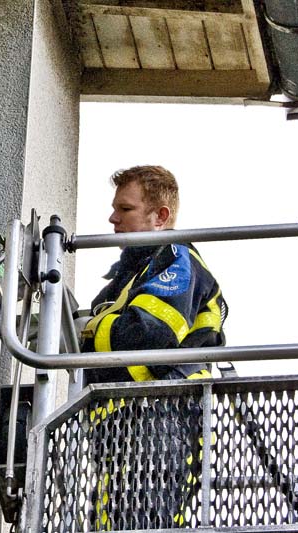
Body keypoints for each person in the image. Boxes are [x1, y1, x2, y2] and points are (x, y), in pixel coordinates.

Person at [79, 165, 228, 530]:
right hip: (129, 420)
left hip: (161, 415)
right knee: (114, 518)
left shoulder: (175, 260)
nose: (112, 218)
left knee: (140, 520)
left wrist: (86, 331)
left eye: (125, 209)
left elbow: (149, 336)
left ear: (160, 216)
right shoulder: (133, 275)